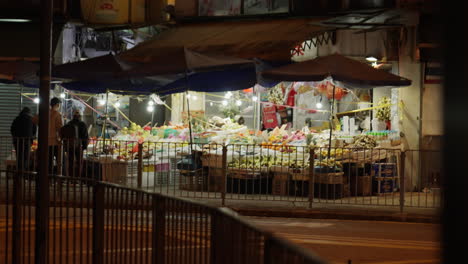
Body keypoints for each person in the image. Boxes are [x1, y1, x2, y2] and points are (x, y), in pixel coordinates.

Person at [33, 97, 63, 174]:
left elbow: (34, 119)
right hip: (54, 142)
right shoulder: (57, 114)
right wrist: (61, 139)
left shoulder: (43, 113)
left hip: (43, 141)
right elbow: (59, 128)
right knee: (59, 160)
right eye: (59, 105)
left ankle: (46, 177)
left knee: (46, 161)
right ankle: (56, 177)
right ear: (57, 105)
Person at [61, 110, 89, 177]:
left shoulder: (68, 124)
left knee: (70, 162)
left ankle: (70, 177)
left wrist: (65, 147)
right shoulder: (82, 124)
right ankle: (77, 177)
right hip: (79, 146)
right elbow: (85, 136)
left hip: (69, 146)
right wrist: (85, 146)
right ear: (80, 116)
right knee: (79, 162)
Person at [10, 107, 36, 172]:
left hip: (17, 141)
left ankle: (18, 172)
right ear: (29, 113)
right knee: (26, 157)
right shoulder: (31, 119)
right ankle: (24, 173)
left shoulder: (17, 119)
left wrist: (15, 137)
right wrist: (31, 137)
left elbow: (12, 129)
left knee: (19, 156)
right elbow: (34, 130)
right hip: (27, 141)